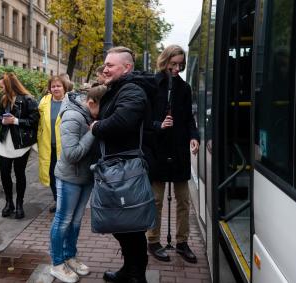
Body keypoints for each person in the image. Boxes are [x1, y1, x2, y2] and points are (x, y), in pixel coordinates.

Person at [90, 46, 149, 283]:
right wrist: (98, 117)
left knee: (130, 225)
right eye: (105, 65)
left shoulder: (132, 90)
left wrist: (96, 127)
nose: (105, 69)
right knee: (124, 225)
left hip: (126, 169)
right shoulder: (119, 88)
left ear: (126, 68)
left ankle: (137, 275)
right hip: (118, 166)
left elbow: (121, 122)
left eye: (110, 65)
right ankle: (130, 270)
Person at [145, 45, 199, 263]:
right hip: (157, 149)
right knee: (156, 199)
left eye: (180, 65)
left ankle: (182, 242)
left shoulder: (184, 88)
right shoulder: (151, 85)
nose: (177, 68)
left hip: (178, 150)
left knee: (183, 200)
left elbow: (188, 118)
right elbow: (142, 118)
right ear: (165, 61)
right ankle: (153, 241)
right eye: (173, 64)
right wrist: (158, 125)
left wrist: (194, 136)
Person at [49, 86, 106, 283]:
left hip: (85, 177)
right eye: (102, 108)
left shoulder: (89, 114)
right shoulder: (73, 116)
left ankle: (69, 257)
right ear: (91, 103)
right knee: (63, 220)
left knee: (76, 220)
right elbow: (71, 154)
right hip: (69, 178)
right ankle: (57, 264)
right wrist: (93, 132)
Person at [0, 72, 39, 219]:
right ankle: (9, 203)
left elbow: (34, 122)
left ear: (9, 86)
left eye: (2, 87)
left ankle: (19, 204)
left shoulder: (29, 100)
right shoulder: (4, 100)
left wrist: (15, 121)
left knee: (20, 173)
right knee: (4, 173)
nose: (1, 90)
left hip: (21, 143)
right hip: (5, 142)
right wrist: (3, 120)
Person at [37, 75, 68, 213]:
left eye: (58, 86)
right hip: (48, 145)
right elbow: (38, 121)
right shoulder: (44, 101)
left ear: (64, 87)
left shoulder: (70, 101)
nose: (56, 88)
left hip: (65, 146)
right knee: (52, 174)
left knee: (65, 174)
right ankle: (57, 200)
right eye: (53, 86)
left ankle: (66, 201)